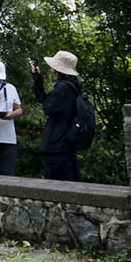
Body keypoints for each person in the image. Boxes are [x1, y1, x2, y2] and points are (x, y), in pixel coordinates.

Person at [33, 51, 84, 181]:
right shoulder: (73, 87)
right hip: (66, 143)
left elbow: (48, 107)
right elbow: (44, 99)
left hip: (58, 145)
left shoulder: (64, 88)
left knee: (57, 186)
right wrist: (37, 79)